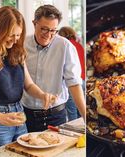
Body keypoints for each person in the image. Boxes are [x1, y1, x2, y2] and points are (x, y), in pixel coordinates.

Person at [0, 6, 56, 153]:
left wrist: (42, 95)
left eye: (18, 35)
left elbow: (28, 85)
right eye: (11, 35)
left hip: (19, 115)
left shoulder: (17, 52)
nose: (15, 40)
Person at [22, 4, 86, 132]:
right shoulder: (22, 44)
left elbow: (74, 84)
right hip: (26, 116)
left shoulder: (65, 46)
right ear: (34, 24)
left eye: (53, 30)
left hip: (56, 116)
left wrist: (86, 118)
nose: (48, 34)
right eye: (44, 29)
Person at [58, 26, 85, 121]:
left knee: (72, 112)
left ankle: (76, 134)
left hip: (72, 84)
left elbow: (65, 69)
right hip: (83, 81)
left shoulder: (65, 46)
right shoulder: (79, 45)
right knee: (82, 111)